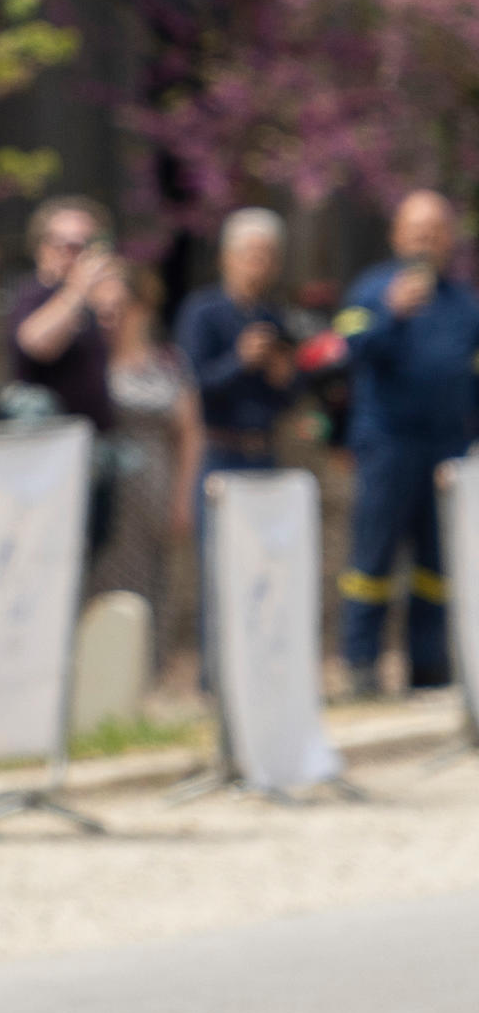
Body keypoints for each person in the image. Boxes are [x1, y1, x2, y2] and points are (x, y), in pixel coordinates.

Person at [333, 190, 479, 694]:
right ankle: (361, 667)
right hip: (386, 445)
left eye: (435, 230)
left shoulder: (465, 303)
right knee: (372, 559)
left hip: (445, 452)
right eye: (416, 230)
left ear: (449, 240)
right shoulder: (369, 291)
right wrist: (390, 314)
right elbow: (347, 351)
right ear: (398, 236)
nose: (425, 239)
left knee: (436, 566)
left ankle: (430, 667)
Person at [174, 207, 300, 688]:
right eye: (251, 253)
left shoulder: (273, 317)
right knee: (219, 568)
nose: (259, 264)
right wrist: (240, 360)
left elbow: (287, 397)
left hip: (263, 452)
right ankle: (216, 678)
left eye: (268, 255)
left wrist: (281, 376)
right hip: (219, 453)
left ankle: (260, 670)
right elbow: (195, 385)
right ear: (228, 257)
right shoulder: (203, 312)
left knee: (264, 567)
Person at [87, 262, 204, 662]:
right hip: (99, 489)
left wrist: (184, 498)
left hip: (153, 482)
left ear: (141, 307)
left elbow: (189, 432)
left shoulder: (168, 362)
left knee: (151, 583)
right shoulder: (85, 363)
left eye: (118, 307)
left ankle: (147, 672)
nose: (110, 317)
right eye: (99, 309)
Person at [7, 195, 123, 433]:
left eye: (82, 245)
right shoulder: (34, 294)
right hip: (48, 444)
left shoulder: (93, 299)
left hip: (93, 439)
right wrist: (78, 289)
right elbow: (36, 342)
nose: (70, 254)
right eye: (61, 243)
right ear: (41, 247)